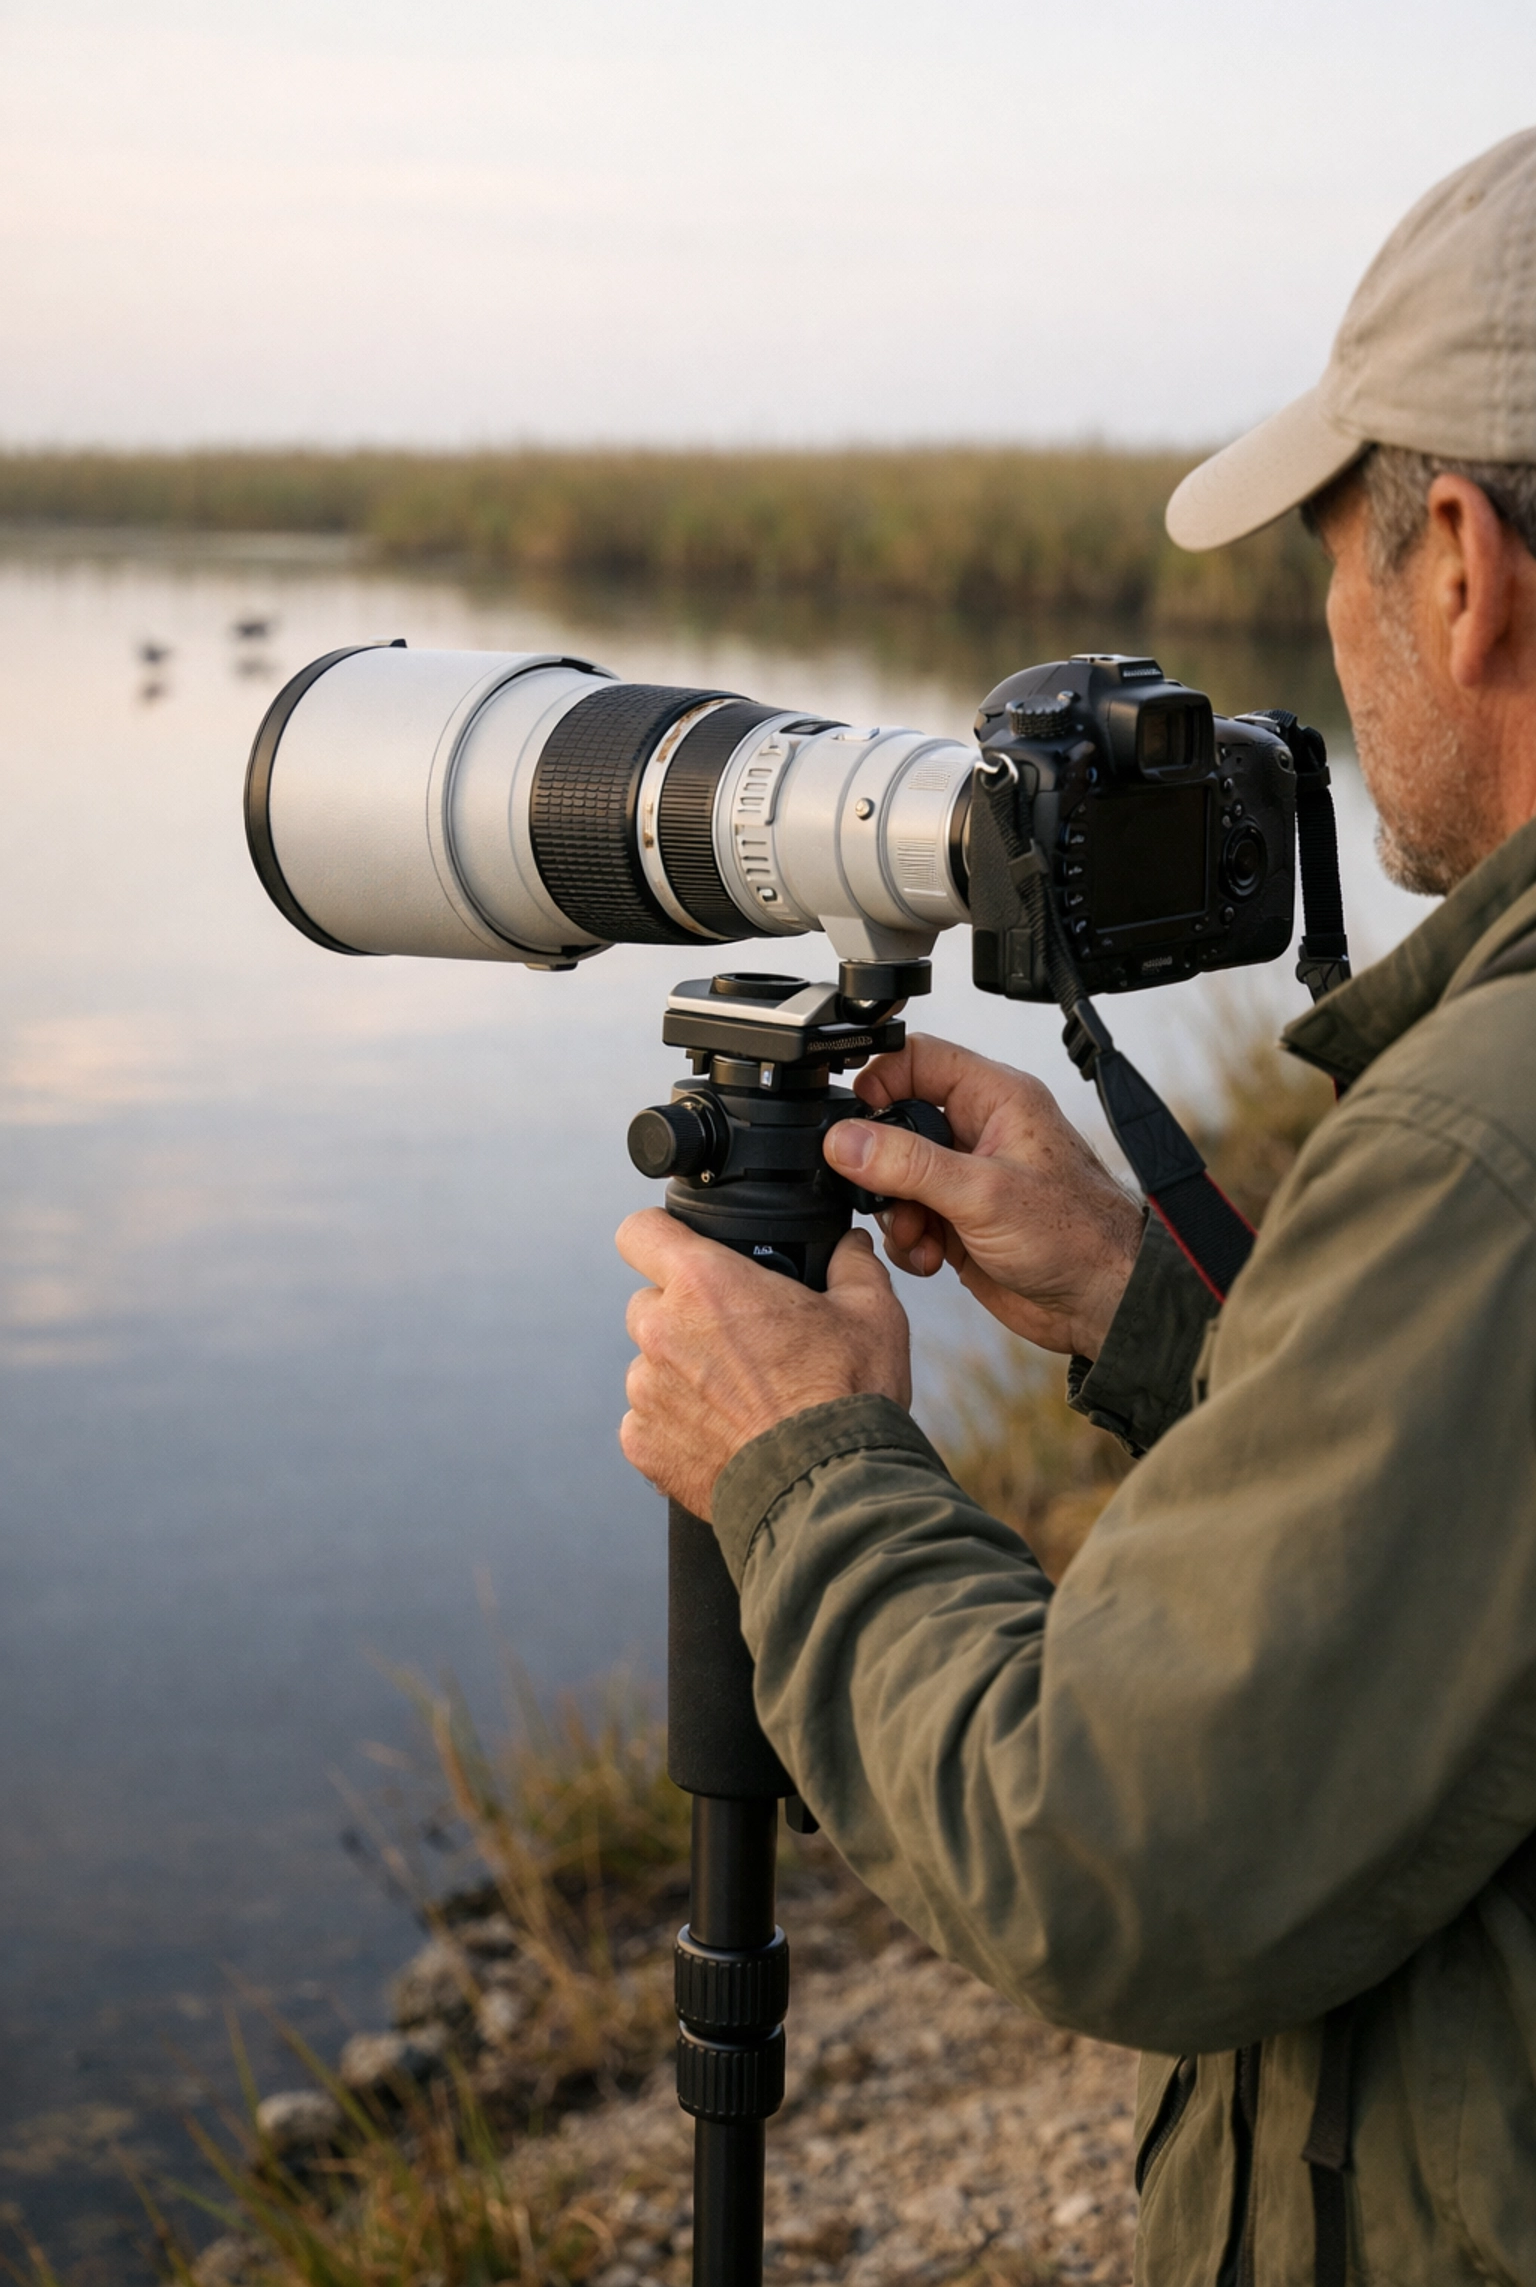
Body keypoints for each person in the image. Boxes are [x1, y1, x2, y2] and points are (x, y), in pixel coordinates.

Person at [617, 127, 1536, 2287]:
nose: (1329, 621)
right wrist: (1156, 1304)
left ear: (1464, 565)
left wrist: (799, 1465)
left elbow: (1113, 1852)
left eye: (1335, 544)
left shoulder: (1479, 1144)